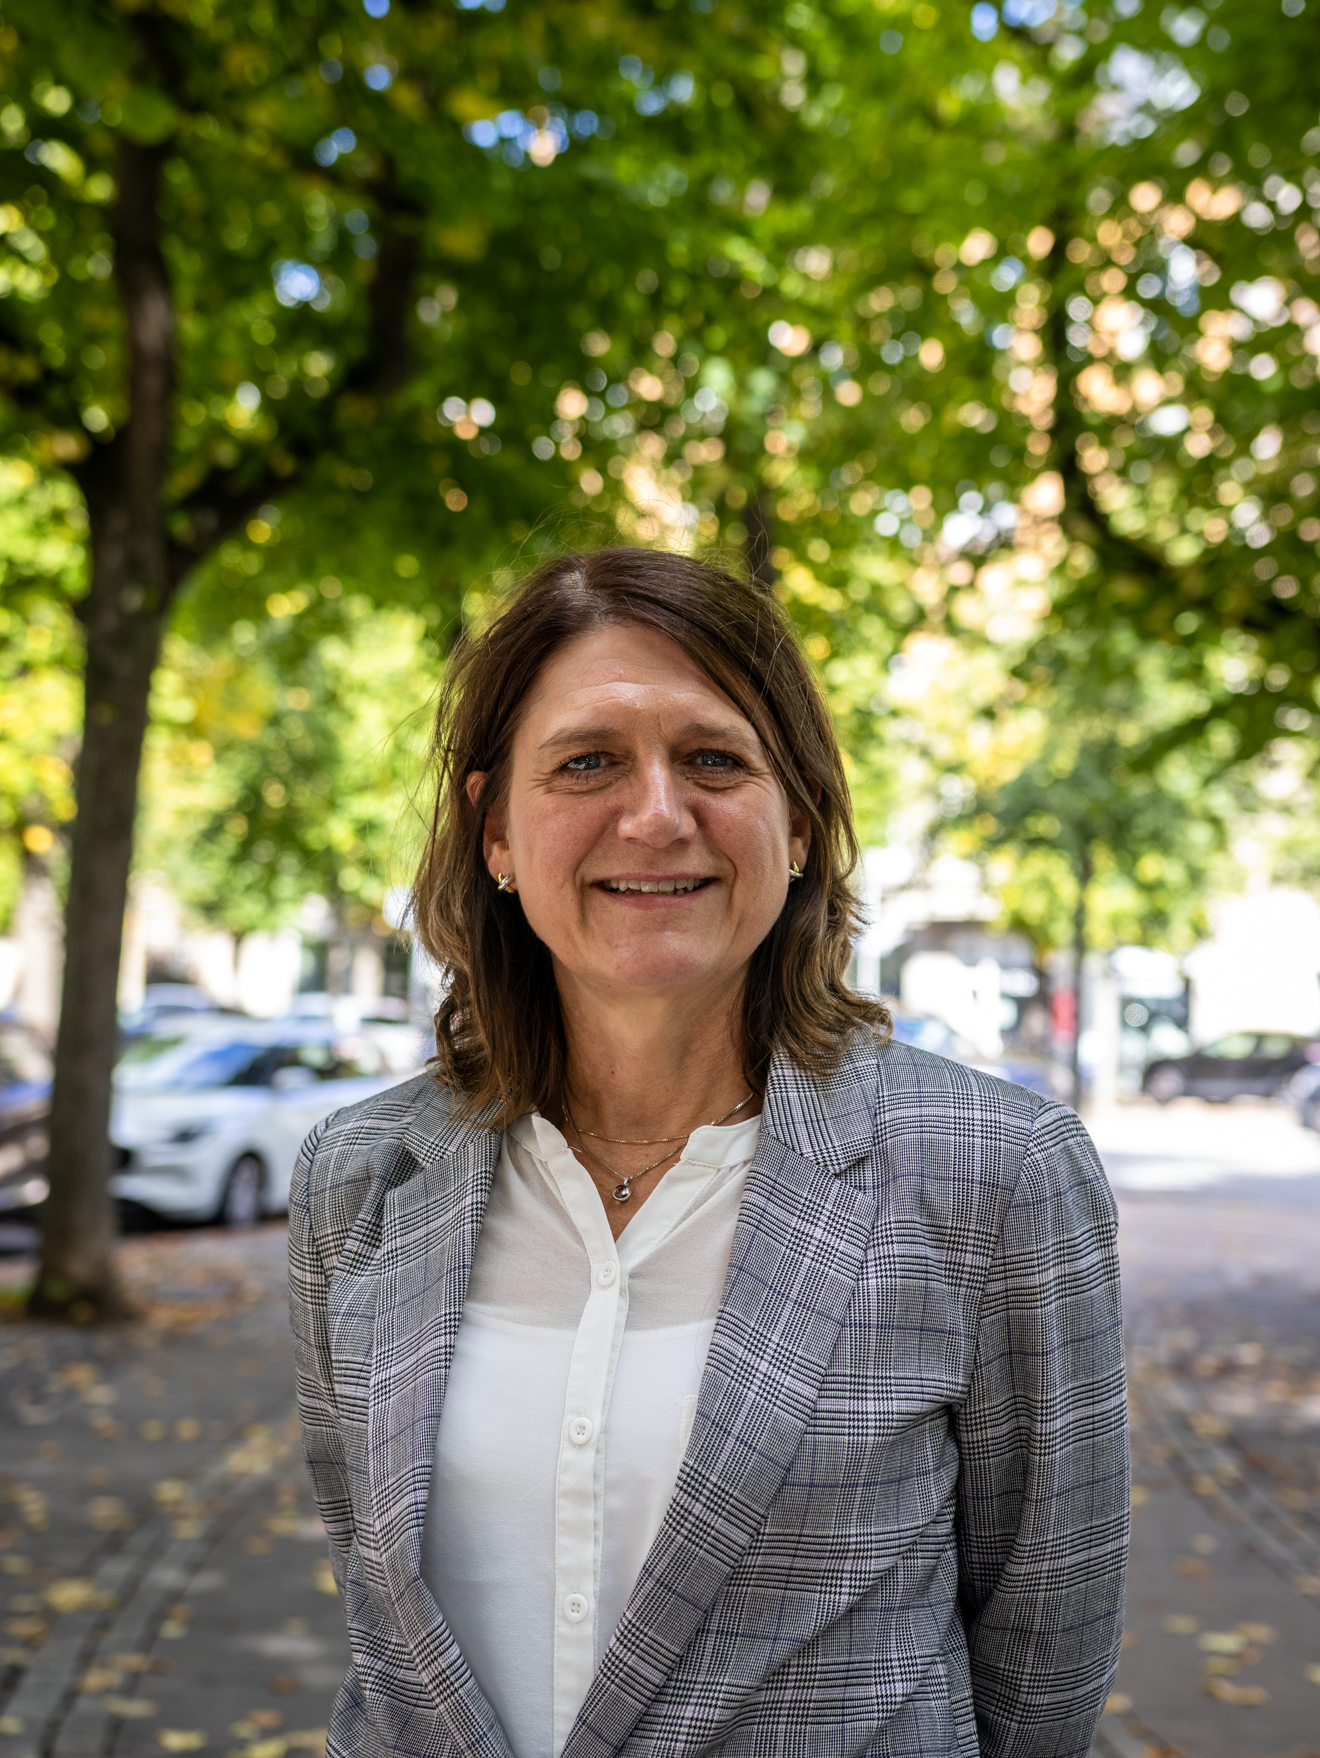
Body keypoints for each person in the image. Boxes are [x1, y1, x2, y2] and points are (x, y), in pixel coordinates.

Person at [289, 547, 1128, 1758]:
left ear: (798, 822)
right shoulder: (358, 1181)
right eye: (587, 762)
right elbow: (385, 1640)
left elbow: (1046, 1664)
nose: (657, 815)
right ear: (496, 832)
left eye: (714, 759)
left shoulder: (992, 1172)